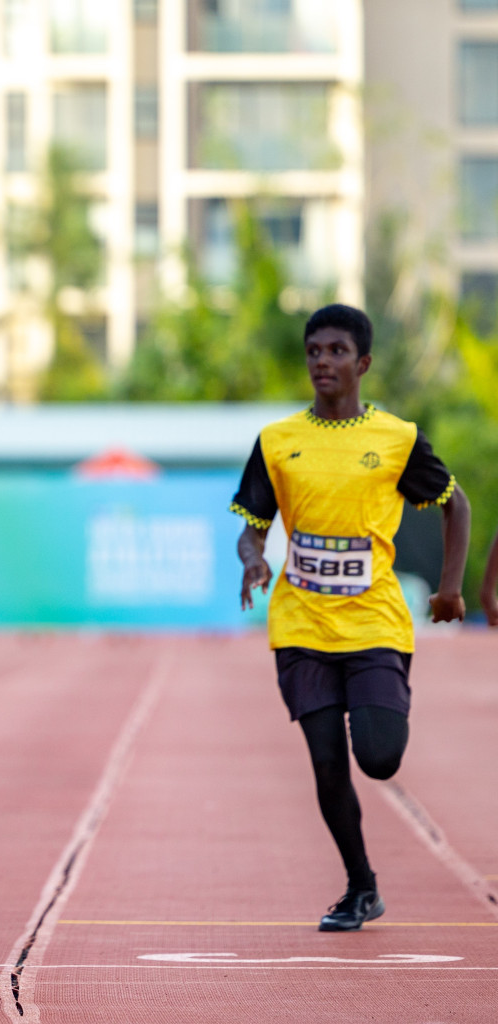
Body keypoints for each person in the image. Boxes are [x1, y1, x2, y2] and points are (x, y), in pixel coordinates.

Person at [230, 303, 469, 933]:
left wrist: (449, 590)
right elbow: (252, 528)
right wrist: (254, 560)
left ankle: (382, 713)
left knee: (380, 757)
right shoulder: (277, 442)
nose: (322, 362)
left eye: (336, 351)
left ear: (362, 363)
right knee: (327, 762)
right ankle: (361, 886)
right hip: (300, 628)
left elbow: (456, 504)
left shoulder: (396, 438)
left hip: (374, 627)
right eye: (314, 351)